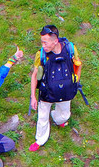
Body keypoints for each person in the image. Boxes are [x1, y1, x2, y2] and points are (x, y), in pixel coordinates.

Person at [28, 24, 83, 152]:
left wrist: (75, 82)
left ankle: (58, 119)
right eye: (42, 42)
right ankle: (40, 140)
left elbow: (78, 65)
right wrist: (33, 97)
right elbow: (35, 75)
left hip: (66, 91)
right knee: (42, 117)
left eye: (45, 43)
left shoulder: (70, 49)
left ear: (55, 41)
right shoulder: (40, 55)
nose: (43, 46)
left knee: (64, 115)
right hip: (46, 92)